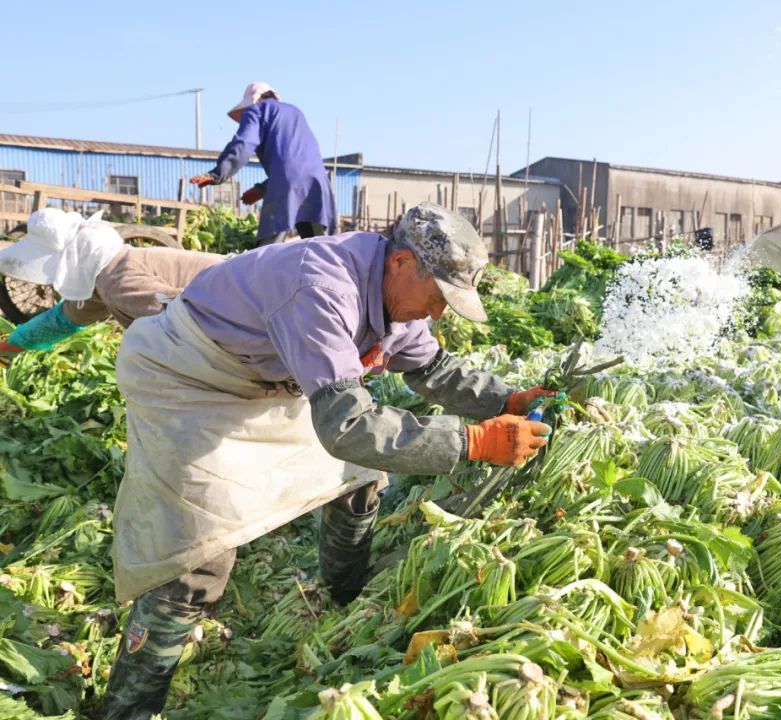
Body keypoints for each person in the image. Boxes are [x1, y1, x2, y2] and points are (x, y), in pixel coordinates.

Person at [101, 202, 554, 718]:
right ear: (402, 264)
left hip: (266, 380)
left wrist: (506, 400)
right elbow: (349, 426)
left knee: (357, 480)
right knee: (194, 552)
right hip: (186, 376)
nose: (437, 313)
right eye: (437, 297)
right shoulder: (321, 287)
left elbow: (434, 370)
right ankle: (130, 708)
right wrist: (472, 442)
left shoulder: (395, 297)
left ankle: (345, 600)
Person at [0, 208, 221, 358]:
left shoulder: (118, 281)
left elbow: (185, 319)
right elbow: (62, 319)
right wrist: (10, 347)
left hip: (240, 299)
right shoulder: (103, 275)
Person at [190, 82, 336, 247]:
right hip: (319, 182)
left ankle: (259, 271)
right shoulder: (295, 112)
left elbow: (244, 143)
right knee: (319, 247)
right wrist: (262, 189)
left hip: (288, 182)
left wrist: (217, 174)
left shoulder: (257, 110)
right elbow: (298, 163)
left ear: (255, 100)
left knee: (267, 250)